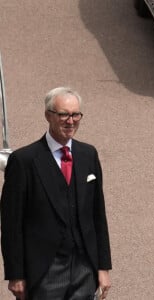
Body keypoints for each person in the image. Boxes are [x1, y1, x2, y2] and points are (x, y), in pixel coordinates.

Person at [1, 87, 112, 300]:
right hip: (44, 271)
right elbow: (11, 224)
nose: (70, 121)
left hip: (84, 268)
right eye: (63, 115)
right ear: (48, 115)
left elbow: (98, 215)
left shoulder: (88, 155)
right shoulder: (24, 161)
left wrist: (103, 267)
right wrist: (16, 275)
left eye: (75, 115)